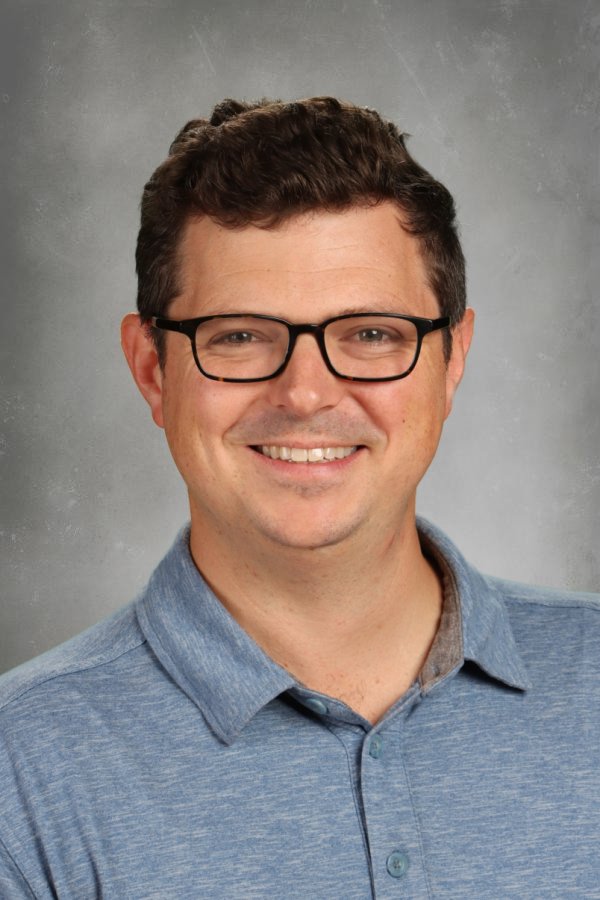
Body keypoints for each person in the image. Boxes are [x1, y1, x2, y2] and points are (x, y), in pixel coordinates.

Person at [0, 96, 598, 900]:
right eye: (241, 335)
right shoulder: (20, 771)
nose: (307, 392)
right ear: (152, 369)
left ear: (451, 361)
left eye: (372, 333)